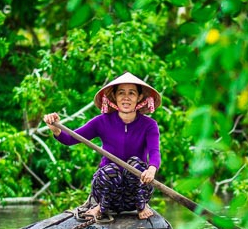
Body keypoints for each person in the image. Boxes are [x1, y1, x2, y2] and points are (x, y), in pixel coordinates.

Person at [43, 72, 162, 220]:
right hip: (107, 192)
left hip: (136, 195)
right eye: (121, 93)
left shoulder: (149, 125)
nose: (126, 97)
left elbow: (155, 152)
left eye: (131, 93)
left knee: (135, 164)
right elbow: (70, 139)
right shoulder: (101, 122)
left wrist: (152, 169)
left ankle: (141, 206)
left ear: (139, 98)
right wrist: (55, 128)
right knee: (111, 170)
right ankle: (101, 208)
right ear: (115, 98)